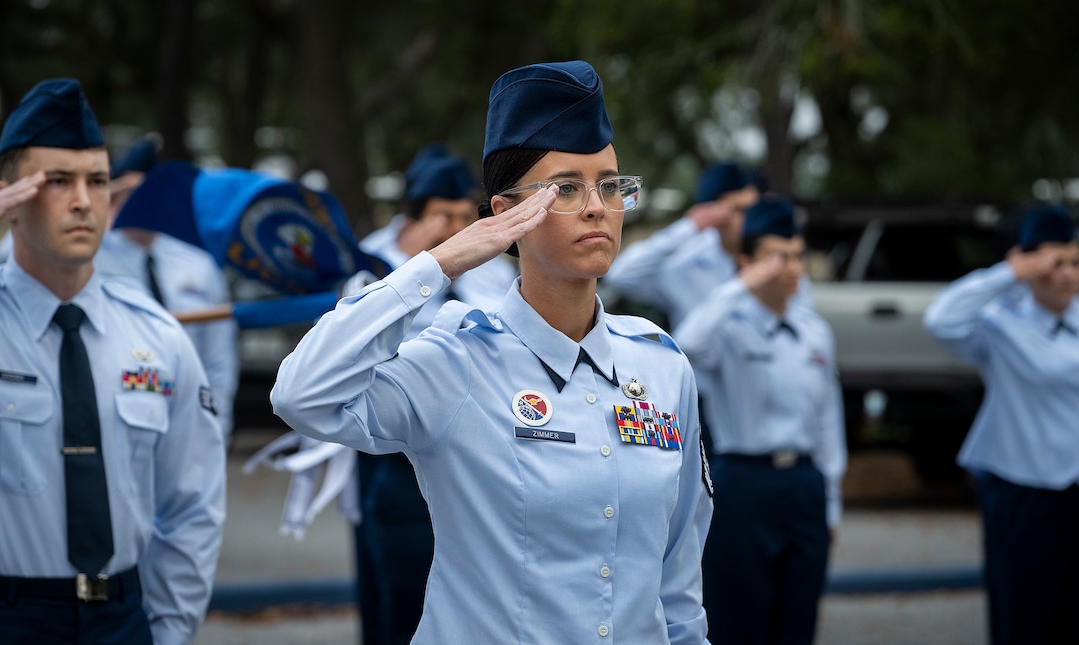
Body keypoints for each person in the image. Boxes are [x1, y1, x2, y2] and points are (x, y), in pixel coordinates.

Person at [272, 60, 713, 644]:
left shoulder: (659, 365)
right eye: (566, 188)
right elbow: (302, 396)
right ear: (506, 214)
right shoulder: (457, 362)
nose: (596, 207)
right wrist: (438, 262)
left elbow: (678, 580)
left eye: (610, 185)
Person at [0, 78, 226, 644]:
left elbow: (192, 506)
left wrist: (166, 633)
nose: (83, 201)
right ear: (7, 199)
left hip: (121, 619)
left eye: (97, 181)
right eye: (57, 182)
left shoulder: (155, 334)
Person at [924, 204, 1079, 645]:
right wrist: (1008, 273)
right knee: (1023, 620)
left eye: (1075, 263)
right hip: (1024, 492)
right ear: (1028, 263)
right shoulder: (1002, 324)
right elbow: (940, 318)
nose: (1068, 274)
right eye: (1055, 263)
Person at [351, 143, 515, 644]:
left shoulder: (495, 270)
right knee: (399, 600)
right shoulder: (374, 264)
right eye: (443, 214)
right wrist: (416, 271)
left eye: (466, 215)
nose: (457, 227)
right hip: (396, 452)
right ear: (413, 216)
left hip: (478, 448)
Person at [675, 196, 845, 645]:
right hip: (743, 486)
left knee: (798, 620)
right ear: (747, 262)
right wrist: (740, 285)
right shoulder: (726, 326)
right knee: (738, 619)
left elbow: (829, 420)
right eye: (776, 257)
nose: (789, 267)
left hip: (804, 485)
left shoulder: (814, 330)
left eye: (796, 256)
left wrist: (831, 500)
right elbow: (685, 346)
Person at [96, 136, 240, 444]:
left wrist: (218, 430)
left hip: (187, 418)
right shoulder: (91, 257)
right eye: (132, 195)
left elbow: (218, 358)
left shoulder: (197, 262)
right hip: (116, 419)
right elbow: (16, 253)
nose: (145, 204)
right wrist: (102, 193)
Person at [605, 162, 760, 331]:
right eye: (740, 210)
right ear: (713, 213)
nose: (752, 219)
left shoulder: (773, 257)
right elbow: (620, 275)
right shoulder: (689, 264)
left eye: (755, 209)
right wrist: (689, 226)